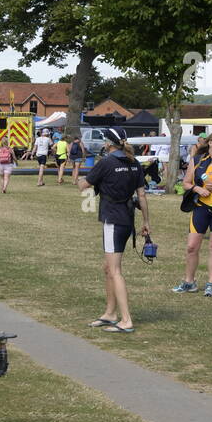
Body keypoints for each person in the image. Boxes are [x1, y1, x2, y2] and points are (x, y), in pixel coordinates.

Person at [79, 129, 151, 334]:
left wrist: (79, 180)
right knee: (108, 267)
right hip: (127, 220)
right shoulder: (133, 162)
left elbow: (84, 186)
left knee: (115, 270)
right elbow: (142, 195)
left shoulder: (106, 162)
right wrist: (146, 221)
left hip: (113, 220)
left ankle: (126, 319)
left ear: (109, 143)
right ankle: (110, 313)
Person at [172, 127, 212, 296]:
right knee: (192, 247)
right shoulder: (198, 159)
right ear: (210, 142)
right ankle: (189, 282)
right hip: (201, 209)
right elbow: (186, 183)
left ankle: (210, 284)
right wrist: (197, 189)